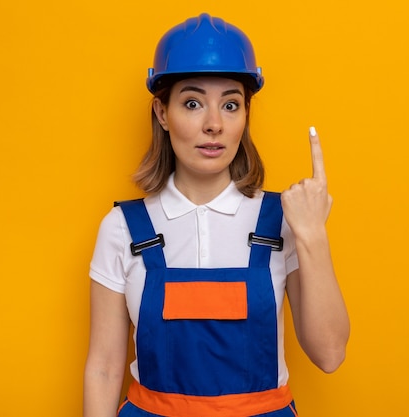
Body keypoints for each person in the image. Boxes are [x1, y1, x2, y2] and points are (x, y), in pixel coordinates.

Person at [84, 13, 350, 417]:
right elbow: (104, 369)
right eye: (192, 103)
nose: (214, 125)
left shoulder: (282, 220)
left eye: (230, 104)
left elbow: (330, 354)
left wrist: (312, 234)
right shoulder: (123, 229)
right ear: (161, 113)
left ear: (245, 116)